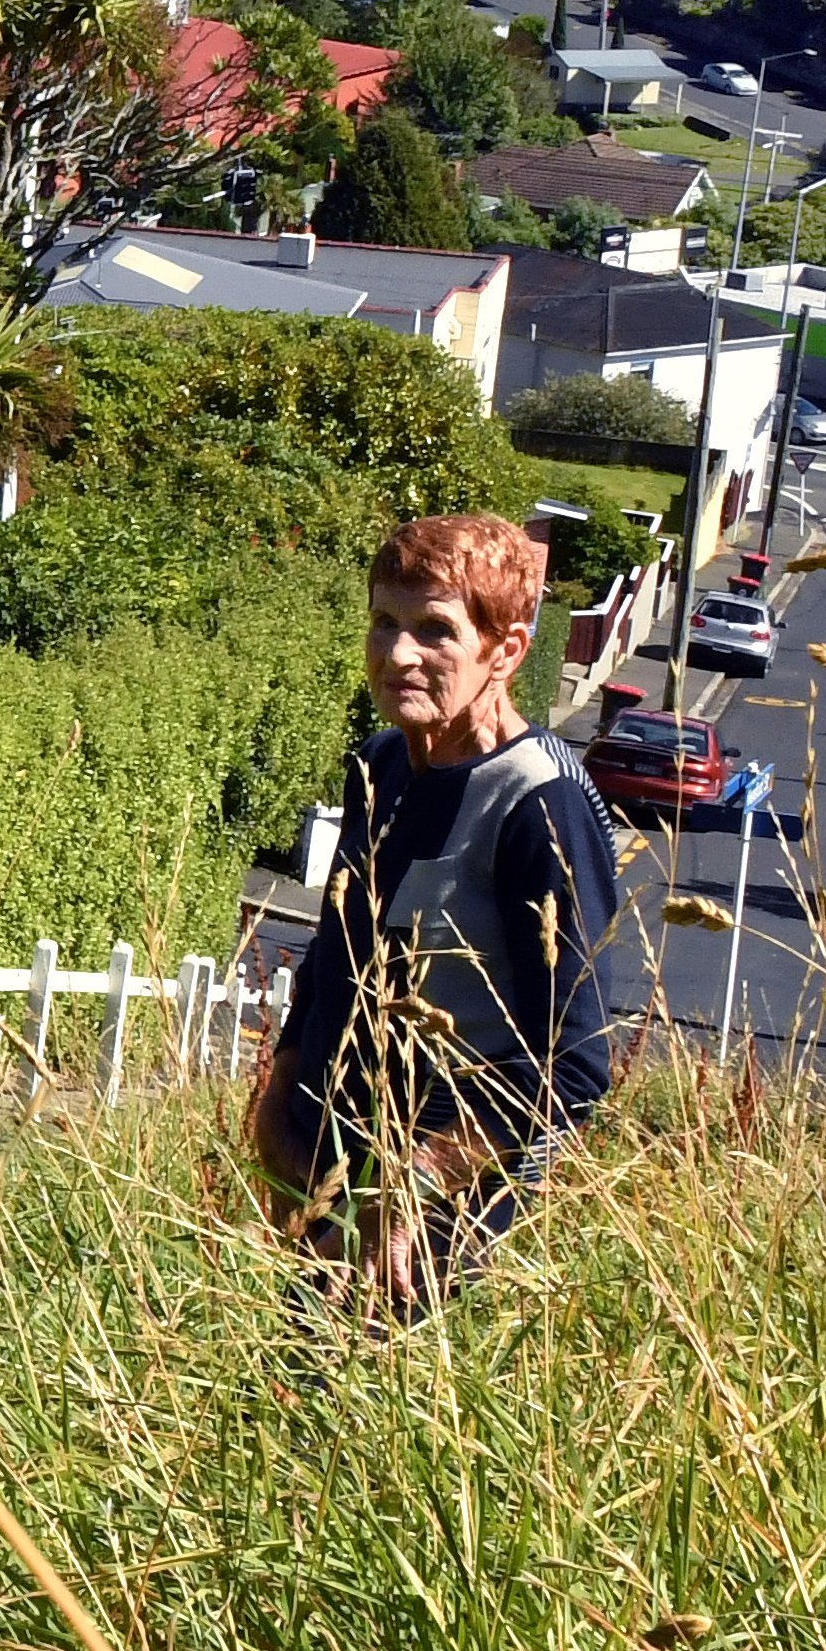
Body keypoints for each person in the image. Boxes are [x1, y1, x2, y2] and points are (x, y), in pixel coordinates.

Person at [250, 511, 625, 1309]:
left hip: (427, 1235)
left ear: (508, 650)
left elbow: (575, 1063)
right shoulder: (381, 762)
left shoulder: (539, 803)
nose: (397, 654)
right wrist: (276, 1117)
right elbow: (331, 956)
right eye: (384, 622)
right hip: (319, 1188)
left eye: (435, 630)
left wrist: (411, 1190)